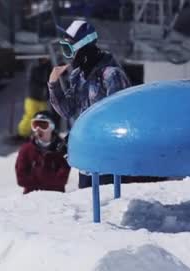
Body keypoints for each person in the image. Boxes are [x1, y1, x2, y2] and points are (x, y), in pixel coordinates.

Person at [48, 19, 131, 189]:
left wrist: (86, 134)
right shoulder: (79, 76)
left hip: (109, 164)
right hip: (87, 163)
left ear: (84, 47)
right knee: (87, 211)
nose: (66, 56)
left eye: (69, 50)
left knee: (109, 211)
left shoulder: (111, 76)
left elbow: (120, 120)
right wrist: (53, 84)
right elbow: (67, 111)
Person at [15, 111, 70, 194]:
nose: (38, 129)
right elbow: (21, 179)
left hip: (56, 198)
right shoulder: (26, 149)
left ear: (51, 127)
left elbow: (62, 179)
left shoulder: (62, 149)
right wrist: (48, 179)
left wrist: (36, 178)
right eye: (35, 125)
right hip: (31, 198)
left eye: (43, 125)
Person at [16, 58, 52, 139]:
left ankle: (40, 134)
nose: (46, 60)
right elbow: (37, 80)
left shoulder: (48, 66)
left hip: (42, 98)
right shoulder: (35, 67)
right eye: (44, 59)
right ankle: (22, 133)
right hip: (32, 96)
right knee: (30, 115)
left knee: (42, 117)